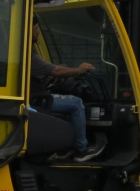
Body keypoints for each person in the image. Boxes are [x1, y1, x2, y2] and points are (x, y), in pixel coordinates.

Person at [29, 19, 106, 162]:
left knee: (65, 100)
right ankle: (81, 149)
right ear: (27, 30)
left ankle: (65, 148)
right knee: (76, 103)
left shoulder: (20, 51)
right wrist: (79, 70)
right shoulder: (28, 55)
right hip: (35, 100)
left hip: (34, 97)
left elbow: (48, 72)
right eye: (36, 28)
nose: (38, 31)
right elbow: (57, 70)